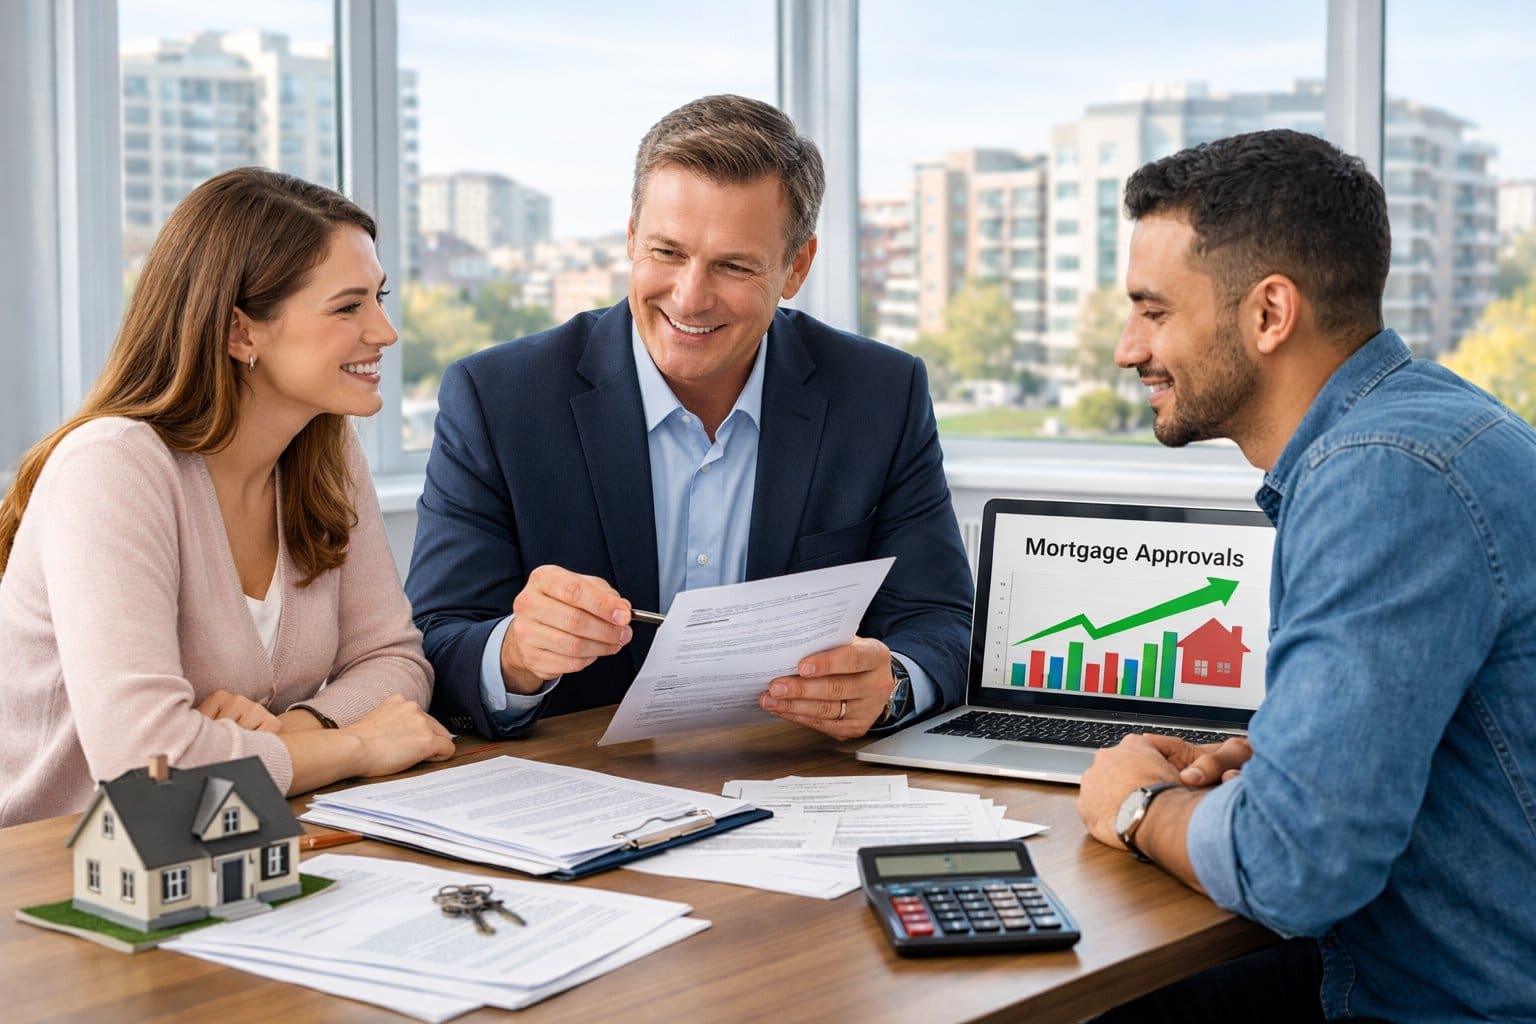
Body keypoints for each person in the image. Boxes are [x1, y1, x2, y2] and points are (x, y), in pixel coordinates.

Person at [1075, 129, 1536, 1022]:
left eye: (1155, 311)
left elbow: (1295, 868)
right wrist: (1276, 755)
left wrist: (1133, 804)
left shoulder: (1382, 475)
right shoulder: (1438, 423)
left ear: (1269, 314)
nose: (1130, 349)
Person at [406, 94, 973, 742]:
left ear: (796, 268)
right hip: (575, 792)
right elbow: (436, 644)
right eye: (667, 252)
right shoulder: (497, 399)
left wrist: (892, 685)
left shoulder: (880, 395)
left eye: (732, 265)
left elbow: (941, 621)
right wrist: (516, 656)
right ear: (629, 236)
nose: (689, 296)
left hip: (796, 783)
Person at [0, 168, 456, 828]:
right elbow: (148, 769)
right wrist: (355, 745)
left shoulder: (325, 448)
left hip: (233, 840)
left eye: (379, 298)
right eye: (348, 306)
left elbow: (395, 662)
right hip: (58, 872)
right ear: (242, 333)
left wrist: (294, 731)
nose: (384, 331)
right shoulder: (112, 468)